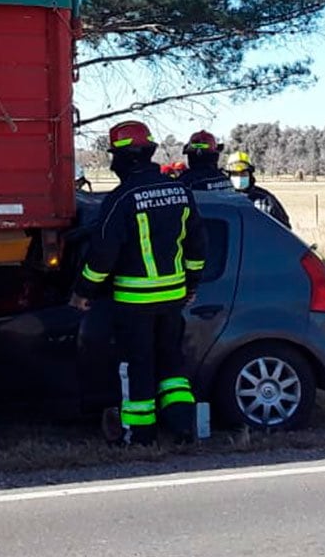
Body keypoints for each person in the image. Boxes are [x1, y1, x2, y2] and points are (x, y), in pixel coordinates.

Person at [70, 120, 206, 445]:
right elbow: (197, 247)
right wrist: (191, 285)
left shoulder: (121, 198)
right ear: (147, 152)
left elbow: (103, 255)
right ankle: (182, 427)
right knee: (172, 365)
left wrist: (83, 292)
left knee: (137, 366)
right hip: (173, 299)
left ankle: (139, 434)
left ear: (125, 157)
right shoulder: (180, 191)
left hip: (134, 302)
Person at [224, 150, 292, 228]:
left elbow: (284, 229)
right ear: (229, 176)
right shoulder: (223, 200)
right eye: (235, 174)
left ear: (250, 175)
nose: (239, 177)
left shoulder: (266, 199)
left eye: (243, 173)